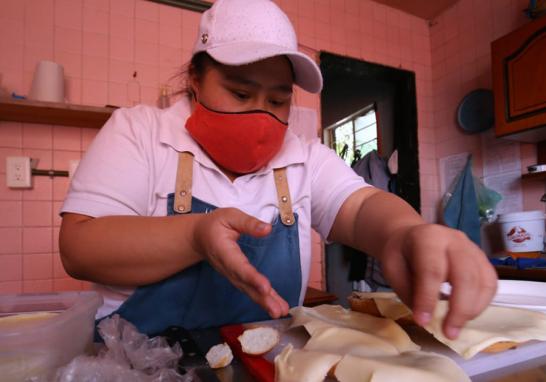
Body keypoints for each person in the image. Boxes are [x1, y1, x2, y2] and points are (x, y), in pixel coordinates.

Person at [59, 0, 497, 339]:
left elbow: (362, 207)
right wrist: (196, 236)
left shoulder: (302, 156)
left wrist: (404, 232)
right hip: (140, 367)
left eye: (277, 100)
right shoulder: (140, 132)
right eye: (240, 92)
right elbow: (80, 246)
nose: (260, 116)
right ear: (195, 78)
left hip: (264, 364)